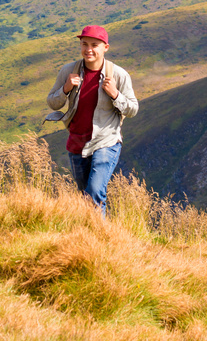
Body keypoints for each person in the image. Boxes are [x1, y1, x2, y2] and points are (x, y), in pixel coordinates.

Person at [46, 25, 139, 216]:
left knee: (95, 192)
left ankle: (99, 239)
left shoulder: (118, 75)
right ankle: (95, 237)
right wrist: (65, 88)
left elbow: (132, 110)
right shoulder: (68, 71)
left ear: (106, 47)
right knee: (86, 198)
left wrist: (115, 95)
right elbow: (52, 103)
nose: (89, 49)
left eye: (94, 45)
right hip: (77, 143)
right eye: (84, 44)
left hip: (106, 142)